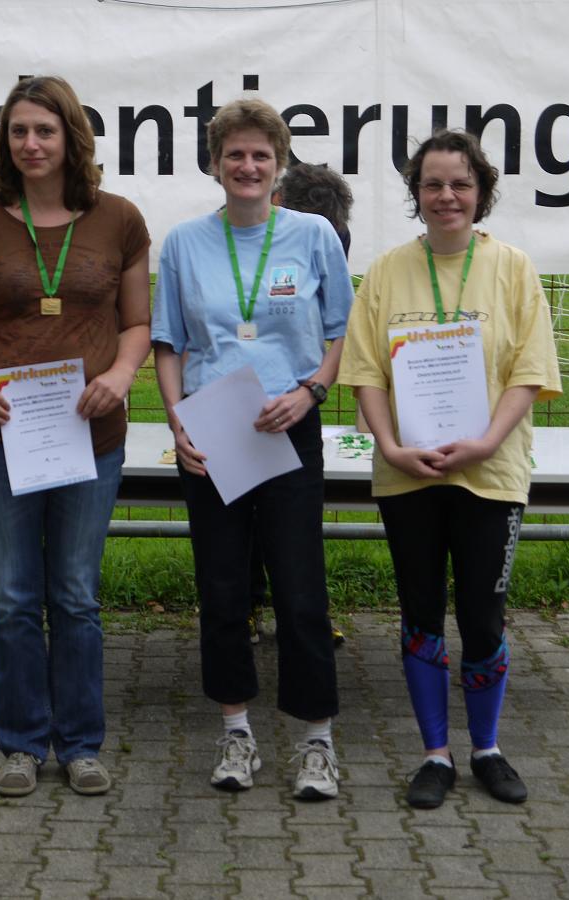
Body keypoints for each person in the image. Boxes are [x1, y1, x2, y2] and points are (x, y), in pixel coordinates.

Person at [0, 76, 151, 798]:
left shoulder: (118, 218)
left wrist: (121, 375)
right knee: (19, 595)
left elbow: (138, 325)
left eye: (45, 131)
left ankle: (82, 743)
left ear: (71, 139)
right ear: (6, 141)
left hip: (90, 432)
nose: (31, 144)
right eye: (19, 131)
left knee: (77, 592)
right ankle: (23, 744)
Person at [336, 129, 561, 809]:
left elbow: (530, 370)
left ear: (482, 191)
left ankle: (487, 749)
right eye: (432, 184)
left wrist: (489, 440)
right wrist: (392, 446)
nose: (446, 196)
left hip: (490, 471)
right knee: (421, 612)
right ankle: (434, 754)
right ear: (416, 194)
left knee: (483, 617)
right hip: (408, 472)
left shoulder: (514, 267)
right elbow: (366, 373)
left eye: (460, 184)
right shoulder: (386, 272)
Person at [151, 98, 354, 801]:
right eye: (234, 154)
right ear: (215, 164)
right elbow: (169, 343)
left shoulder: (314, 235)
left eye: (260, 155)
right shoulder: (182, 243)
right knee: (223, 590)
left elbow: (338, 335)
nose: (247, 166)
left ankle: (316, 742)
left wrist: (312, 392)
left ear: (279, 165)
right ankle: (236, 731)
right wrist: (178, 424)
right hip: (211, 429)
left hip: (287, 425)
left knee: (301, 592)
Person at [248, 161, 356, 646]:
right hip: (233, 395)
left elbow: (336, 323)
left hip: (297, 402)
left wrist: (312, 388)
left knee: (298, 527)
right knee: (243, 512)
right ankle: (247, 605)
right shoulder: (230, 235)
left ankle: (307, 616)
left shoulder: (329, 236)